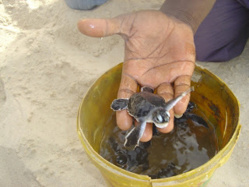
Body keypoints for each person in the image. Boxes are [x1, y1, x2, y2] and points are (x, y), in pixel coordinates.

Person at [77, 0, 249, 142]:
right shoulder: (162, 108)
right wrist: (180, 17)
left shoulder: (148, 117)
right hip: (140, 100)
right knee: (198, 44)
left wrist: (132, 139)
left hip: (144, 101)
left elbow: (159, 113)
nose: (164, 119)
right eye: (163, 117)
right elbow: (173, 103)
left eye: (162, 119)